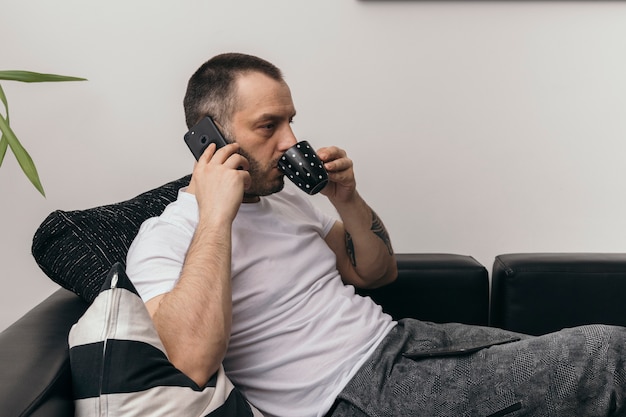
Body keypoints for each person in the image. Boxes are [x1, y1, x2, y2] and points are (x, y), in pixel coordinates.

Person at [127, 53, 626, 417]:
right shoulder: (167, 237)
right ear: (209, 137)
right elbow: (190, 362)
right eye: (268, 126)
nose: (291, 141)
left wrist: (346, 198)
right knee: (605, 354)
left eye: (291, 121)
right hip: (352, 393)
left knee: (587, 372)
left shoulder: (286, 201)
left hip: (402, 341)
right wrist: (216, 216)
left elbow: (377, 272)